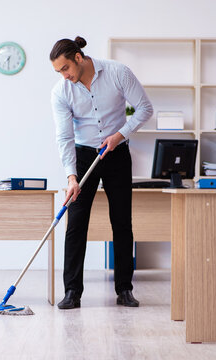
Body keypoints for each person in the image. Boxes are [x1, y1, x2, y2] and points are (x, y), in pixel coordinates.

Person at [50, 36, 153, 309]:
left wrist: (120, 135)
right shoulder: (62, 91)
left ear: (78, 58)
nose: (64, 76)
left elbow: (145, 108)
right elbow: (64, 137)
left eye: (65, 68)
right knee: (76, 223)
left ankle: (124, 289)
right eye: (58, 71)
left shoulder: (118, 72)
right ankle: (72, 292)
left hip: (116, 151)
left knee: (121, 221)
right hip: (84, 156)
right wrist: (71, 176)